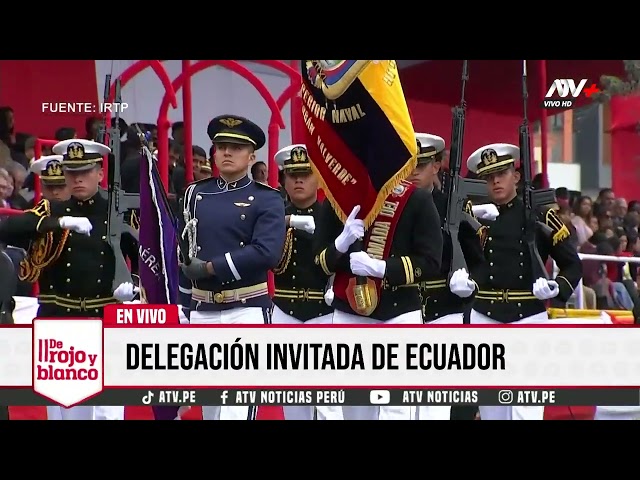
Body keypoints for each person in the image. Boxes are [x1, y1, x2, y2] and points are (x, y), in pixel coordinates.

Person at [0, 139, 139, 421]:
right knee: (64, 410)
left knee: (106, 410)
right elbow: (9, 229)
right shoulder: (53, 211)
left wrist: (134, 286)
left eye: (85, 171)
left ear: (100, 173)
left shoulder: (117, 209)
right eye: (72, 172)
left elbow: (142, 254)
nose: (77, 179)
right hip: (60, 319)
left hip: (103, 318)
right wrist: (58, 223)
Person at [179, 114, 286, 421]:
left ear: (252, 156)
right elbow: (185, 250)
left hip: (246, 307)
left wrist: (212, 268)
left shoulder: (267, 198)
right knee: (210, 407)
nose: (226, 152)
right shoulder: (195, 193)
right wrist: (184, 305)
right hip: (202, 308)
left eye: (236, 148)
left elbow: (267, 252)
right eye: (221, 146)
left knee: (238, 406)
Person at [314, 169, 443, 421]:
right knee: (354, 403)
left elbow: (430, 262)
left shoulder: (416, 199)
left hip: (398, 312)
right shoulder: (336, 200)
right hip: (350, 310)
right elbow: (318, 262)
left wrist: (381, 268)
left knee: (396, 405)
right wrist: (340, 244)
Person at [466, 143, 582, 421]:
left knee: (525, 408)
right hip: (486, 314)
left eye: (502, 173)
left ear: (516, 177)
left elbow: (572, 262)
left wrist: (557, 287)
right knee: (491, 407)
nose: (495, 181)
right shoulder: (473, 216)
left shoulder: (540, 215)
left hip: (527, 315)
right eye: (489, 176)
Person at [407, 133, 488, 421]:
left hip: (444, 306)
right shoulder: (394, 205)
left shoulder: (451, 206)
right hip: (403, 307)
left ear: (436, 167)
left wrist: (470, 284)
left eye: (420, 165)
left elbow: (479, 260)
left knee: (434, 403)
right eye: (408, 165)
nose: (412, 173)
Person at [272, 144, 338, 420]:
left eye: (306, 174)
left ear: (319, 178)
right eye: (292, 174)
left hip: (322, 311)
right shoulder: (272, 216)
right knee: (293, 397)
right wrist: (286, 220)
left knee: (327, 402)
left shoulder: (333, 215)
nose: (298, 180)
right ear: (284, 180)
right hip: (285, 309)